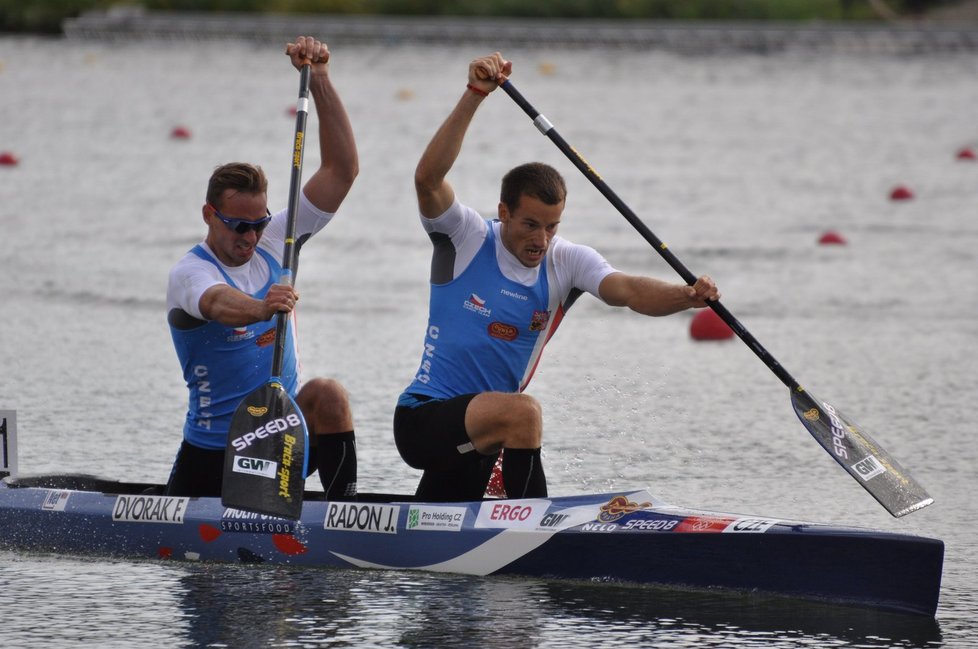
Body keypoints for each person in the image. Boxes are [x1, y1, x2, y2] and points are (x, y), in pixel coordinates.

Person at [394, 52, 721, 503]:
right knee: (524, 414)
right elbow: (428, 181)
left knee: (438, 524)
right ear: (504, 213)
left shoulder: (567, 261)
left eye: (552, 226)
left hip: (481, 440)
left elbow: (626, 291)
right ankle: (539, 524)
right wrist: (474, 95)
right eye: (530, 225)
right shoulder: (466, 238)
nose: (542, 240)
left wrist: (686, 296)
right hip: (423, 421)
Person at [165, 36, 359, 500]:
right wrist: (261, 307)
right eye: (237, 226)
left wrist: (321, 81)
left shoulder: (278, 239)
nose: (250, 238)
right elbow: (218, 305)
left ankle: (344, 513)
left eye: (258, 224)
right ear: (209, 215)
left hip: (282, 442)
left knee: (328, 395)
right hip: (216, 455)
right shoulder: (190, 274)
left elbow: (342, 169)